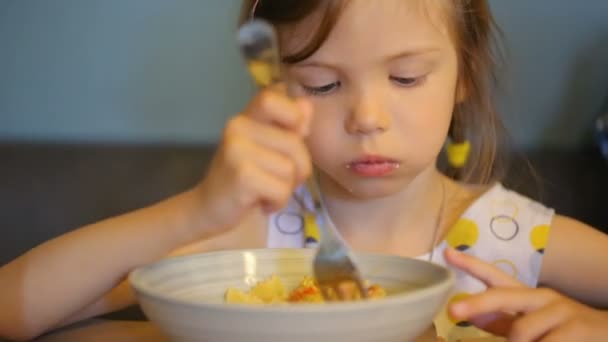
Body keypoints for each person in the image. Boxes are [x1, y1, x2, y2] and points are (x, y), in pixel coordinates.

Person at [1, 1, 607, 341]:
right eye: (322, 84)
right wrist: (193, 213)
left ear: (464, 75)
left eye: (405, 78)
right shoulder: (261, 236)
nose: (367, 118)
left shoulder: (509, 236)